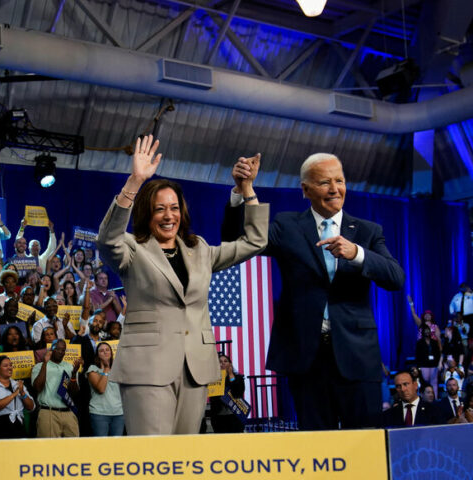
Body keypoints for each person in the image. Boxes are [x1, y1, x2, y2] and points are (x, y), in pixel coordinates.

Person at [96, 135, 268, 435]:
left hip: (195, 368)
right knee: (153, 457)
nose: (168, 215)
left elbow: (255, 241)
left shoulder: (199, 249)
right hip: (147, 369)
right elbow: (106, 239)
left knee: (185, 457)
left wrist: (247, 189)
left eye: (174, 208)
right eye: (160, 208)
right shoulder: (132, 248)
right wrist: (135, 182)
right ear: (147, 213)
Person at [224, 152, 405, 431]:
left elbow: (395, 278)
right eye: (324, 183)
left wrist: (356, 253)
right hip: (307, 359)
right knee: (319, 446)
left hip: (356, 357)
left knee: (365, 444)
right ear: (305, 190)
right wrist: (243, 190)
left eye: (340, 181)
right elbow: (239, 240)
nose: (335, 189)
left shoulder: (368, 231)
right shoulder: (287, 226)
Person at [30, 339, 83, 437]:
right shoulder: (39, 366)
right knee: (48, 449)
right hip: (48, 412)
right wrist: (45, 363)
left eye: (63, 350)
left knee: (74, 448)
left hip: (68, 412)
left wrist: (74, 374)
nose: (60, 352)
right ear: (51, 349)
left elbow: (74, 392)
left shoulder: (70, 367)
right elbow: (38, 388)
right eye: (57, 349)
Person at [0, 356, 36, 439]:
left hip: (18, 426)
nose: (9, 368)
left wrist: (22, 392)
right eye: (5, 366)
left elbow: (31, 407)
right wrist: (14, 394)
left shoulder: (18, 385)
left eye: (10, 365)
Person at [85, 341, 124, 436]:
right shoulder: (93, 369)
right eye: (102, 351)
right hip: (99, 413)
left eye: (107, 350)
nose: (105, 352)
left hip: (118, 414)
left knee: (116, 447)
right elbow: (101, 389)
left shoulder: (118, 369)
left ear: (111, 352)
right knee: (101, 447)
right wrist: (106, 369)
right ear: (97, 355)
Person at [208, 354, 246, 433]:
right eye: (220, 362)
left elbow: (238, 393)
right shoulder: (212, 379)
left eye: (225, 361)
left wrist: (231, 374)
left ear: (230, 364)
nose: (223, 363)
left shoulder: (238, 377)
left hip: (234, 415)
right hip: (218, 416)